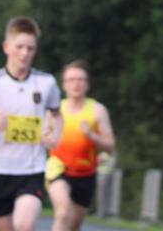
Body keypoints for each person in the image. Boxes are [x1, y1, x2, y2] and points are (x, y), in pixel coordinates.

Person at [0, 16, 64, 231]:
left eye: (30, 48)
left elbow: (57, 115)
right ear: (6, 47)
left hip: (32, 169)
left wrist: (55, 135)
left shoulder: (46, 83)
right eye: (19, 47)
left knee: (24, 225)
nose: (24, 53)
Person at [47, 60, 116, 231]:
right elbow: (44, 138)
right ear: (64, 84)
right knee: (63, 213)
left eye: (80, 79)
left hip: (85, 173)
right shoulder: (55, 110)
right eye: (71, 79)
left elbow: (110, 146)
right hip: (58, 168)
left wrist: (92, 136)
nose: (76, 84)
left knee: (73, 225)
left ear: (87, 84)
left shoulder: (97, 110)